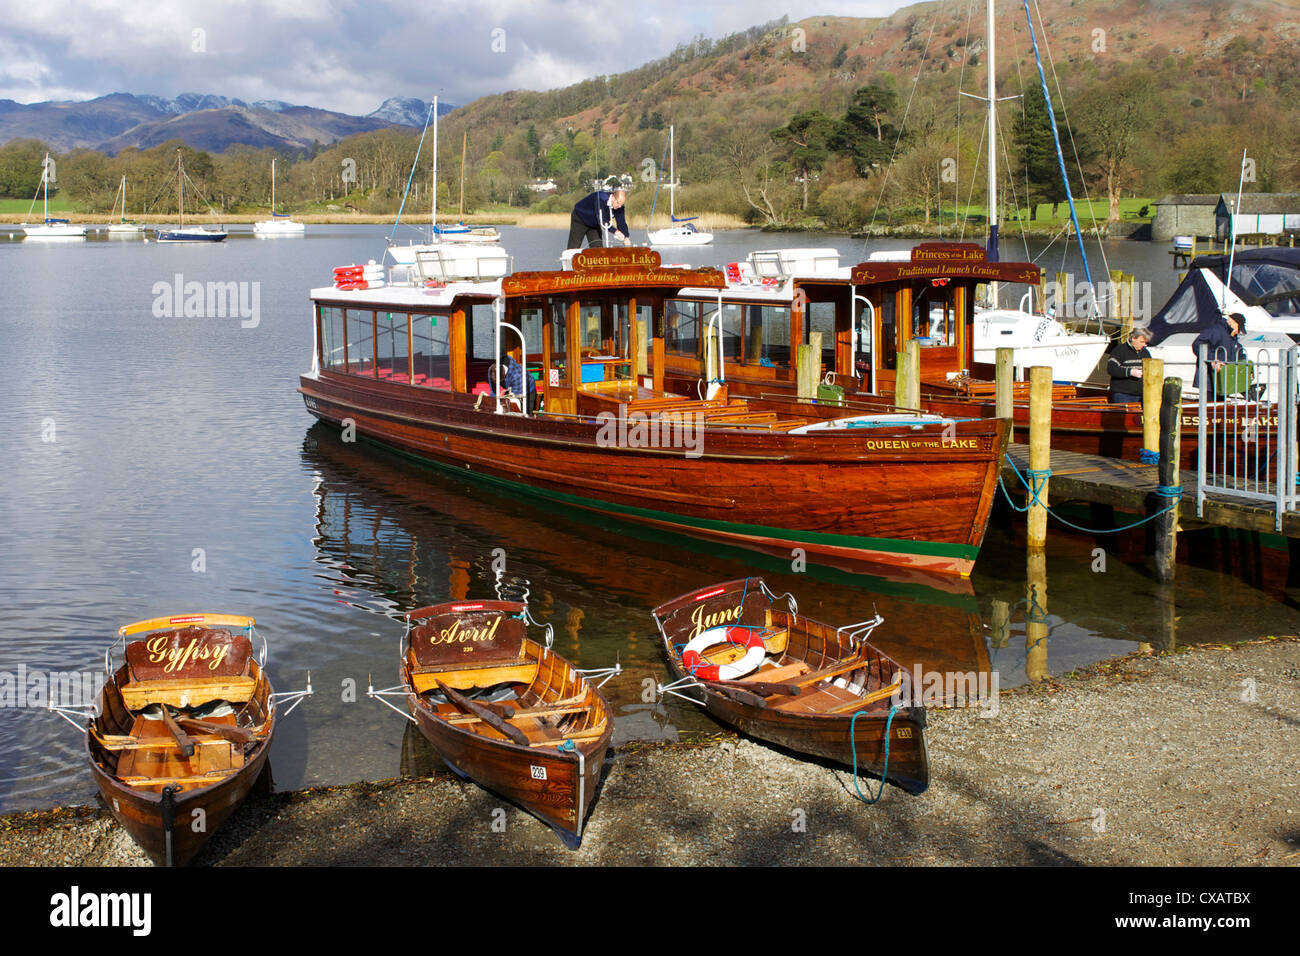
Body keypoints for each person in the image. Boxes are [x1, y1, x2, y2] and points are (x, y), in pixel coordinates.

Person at [1192, 312, 1247, 397]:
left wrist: (1246, 365)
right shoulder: (1215, 330)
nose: (1238, 332)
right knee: (1209, 406)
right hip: (1210, 380)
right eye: (1238, 328)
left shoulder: (1231, 336)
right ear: (1233, 322)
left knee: (1220, 406)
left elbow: (1237, 353)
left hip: (1223, 380)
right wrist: (1213, 360)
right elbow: (1197, 344)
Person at [567, 187, 631, 250]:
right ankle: (569, 258)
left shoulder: (620, 207)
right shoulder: (601, 198)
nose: (619, 206)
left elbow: (622, 223)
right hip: (580, 218)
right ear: (613, 198)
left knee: (598, 248)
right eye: (618, 203)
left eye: (621, 204)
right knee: (574, 246)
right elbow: (602, 220)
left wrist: (626, 237)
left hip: (594, 224)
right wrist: (615, 231)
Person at [1106, 327, 1152, 404]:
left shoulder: (1145, 352)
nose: (1144, 345)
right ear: (1133, 338)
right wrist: (1131, 372)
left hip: (1141, 395)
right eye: (1142, 342)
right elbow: (1111, 369)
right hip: (1123, 394)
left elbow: (1150, 369)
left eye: (1145, 342)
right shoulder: (1119, 350)